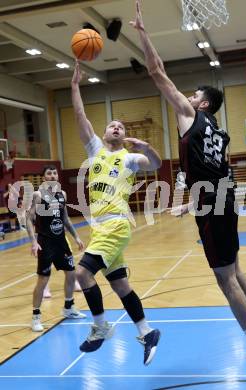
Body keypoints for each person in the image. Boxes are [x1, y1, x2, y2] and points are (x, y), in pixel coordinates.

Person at [131, 0, 246, 383]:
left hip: (213, 205)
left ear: (201, 103)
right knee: (234, 267)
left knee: (223, 277)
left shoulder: (190, 116)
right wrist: (191, 204)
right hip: (223, 200)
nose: (186, 95)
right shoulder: (218, 130)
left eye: (193, 94)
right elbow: (214, 171)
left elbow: (156, 71)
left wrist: (144, 35)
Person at [71, 61, 161, 365]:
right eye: (113, 125)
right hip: (101, 229)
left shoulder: (130, 157)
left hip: (117, 226)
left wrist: (146, 146)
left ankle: (100, 327)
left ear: (125, 135)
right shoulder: (95, 148)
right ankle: (147, 332)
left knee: (81, 272)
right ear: (106, 130)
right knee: (121, 285)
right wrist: (74, 85)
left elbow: (157, 164)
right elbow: (80, 116)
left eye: (121, 127)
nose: (117, 127)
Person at [26, 165, 86, 332]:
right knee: (43, 279)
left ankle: (68, 307)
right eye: (49, 173)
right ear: (44, 177)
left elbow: (65, 218)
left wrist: (76, 237)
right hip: (45, 242)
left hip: (61, 241)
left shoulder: (62, 194)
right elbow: (29, 219)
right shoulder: (38, 195)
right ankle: (36, 317)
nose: (52, 175)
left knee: (71, 273)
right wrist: (33, 241)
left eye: (54, 173)